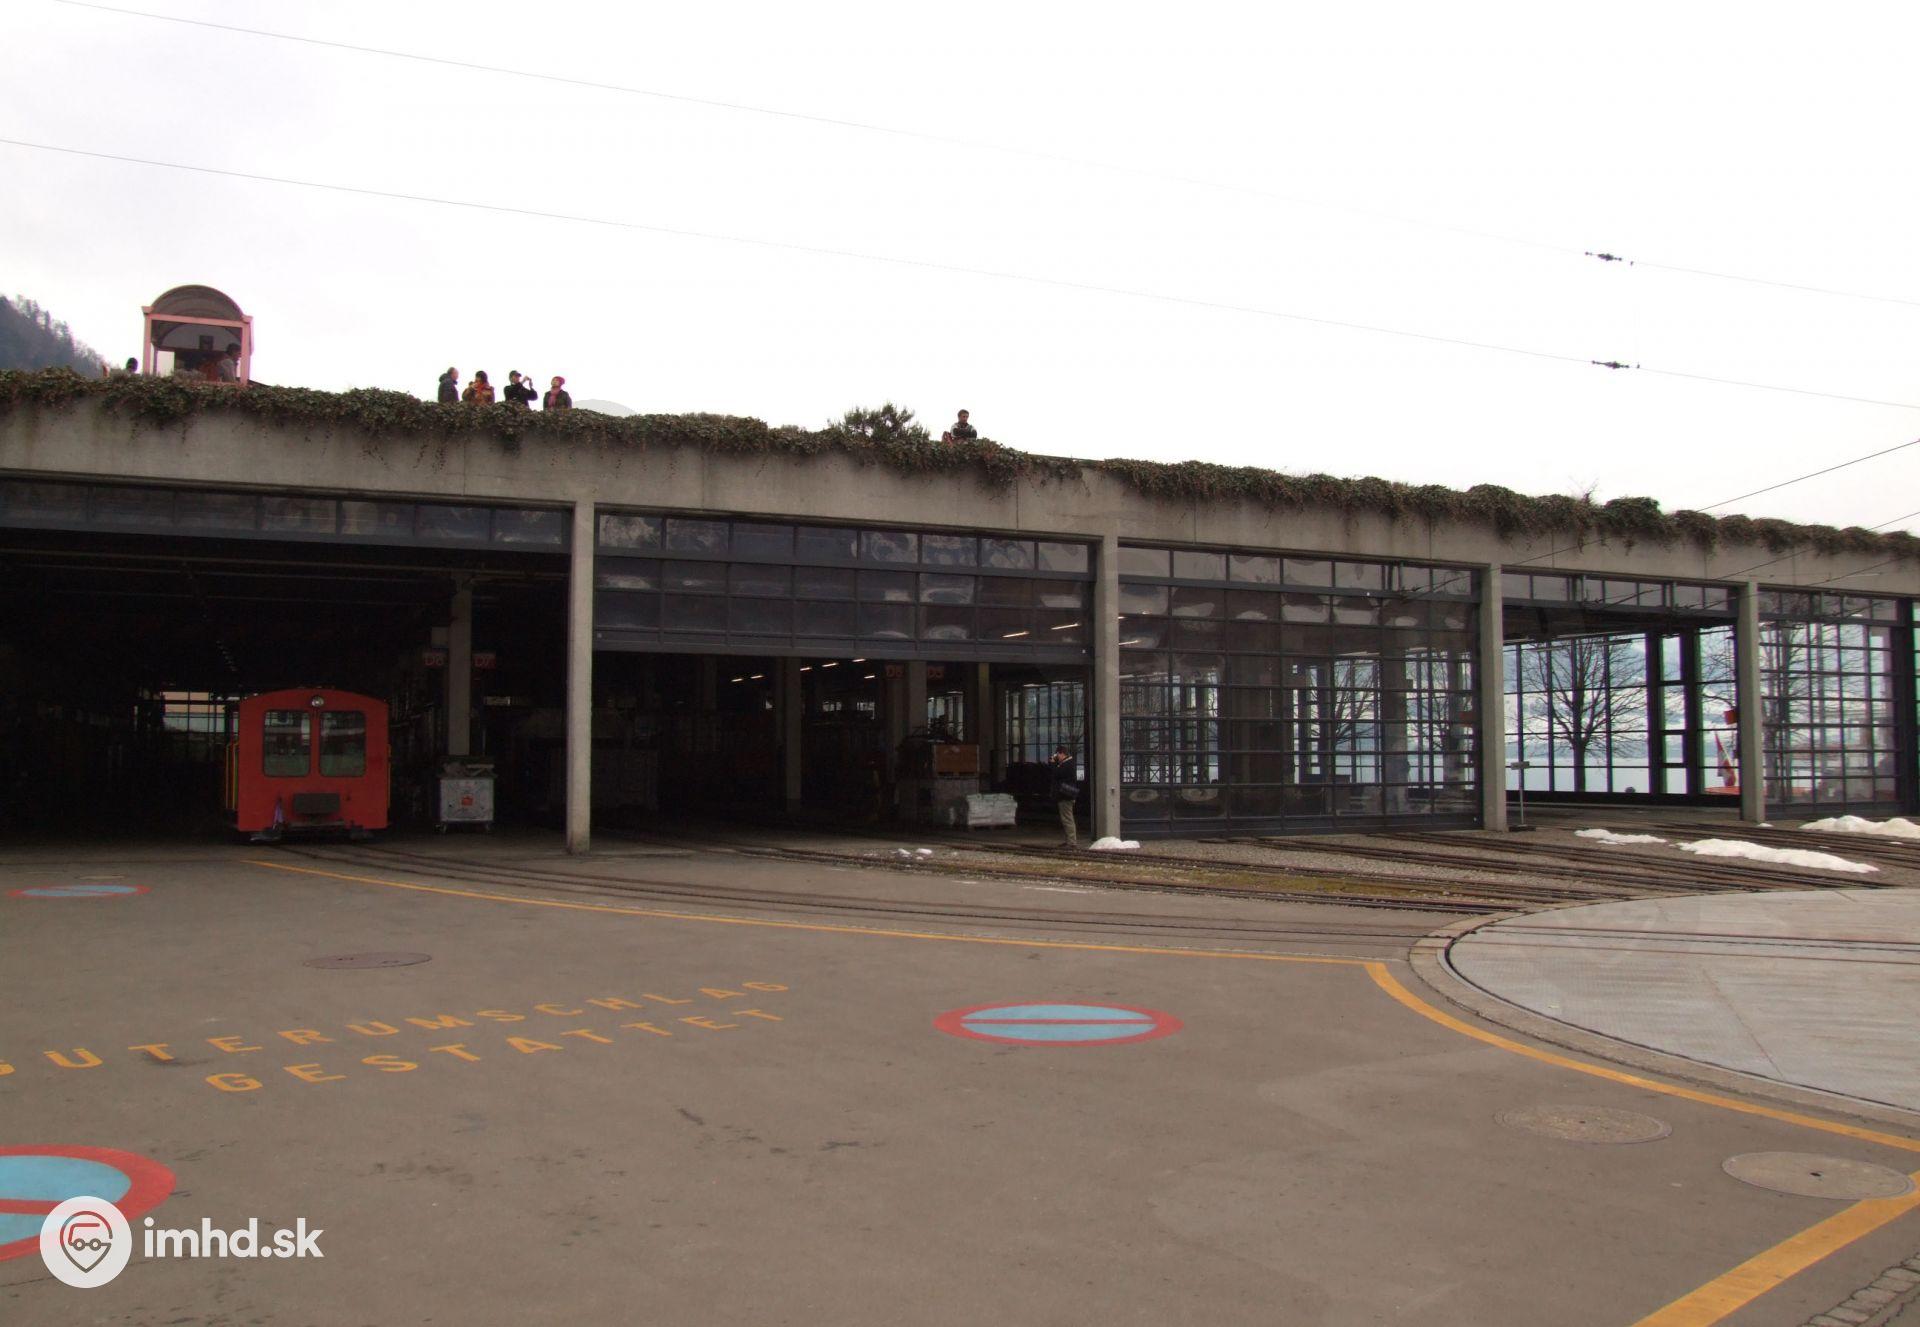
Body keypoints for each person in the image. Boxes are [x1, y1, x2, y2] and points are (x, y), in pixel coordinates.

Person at [1048, 746, 1081, 849]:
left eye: (1057, 754)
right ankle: (1069, 841)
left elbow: (1057, 774)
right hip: (1065, 794)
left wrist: (1053, 763)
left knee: (1067, 819)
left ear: (1062, 753)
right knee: (1066, 818)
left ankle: (1072, 842)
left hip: (1066, 795)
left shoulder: (1067, 764)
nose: (1057, 757)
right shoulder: (1067, 763)